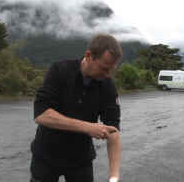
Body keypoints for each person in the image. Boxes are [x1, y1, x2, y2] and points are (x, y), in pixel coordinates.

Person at [30, 34, 123, 182]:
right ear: (89, 56)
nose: (107, 75)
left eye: (111, 70)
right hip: (46, 156)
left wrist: (114, 176)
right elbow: (42, 114)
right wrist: (88, 127)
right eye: (104, 68)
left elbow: (113, 131)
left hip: (81, 161)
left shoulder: (107, 86)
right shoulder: (59, 70)